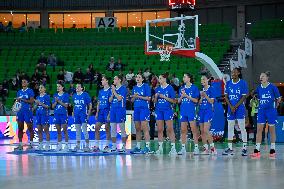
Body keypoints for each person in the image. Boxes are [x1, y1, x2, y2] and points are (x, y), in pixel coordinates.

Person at [250, 71, 281, 158]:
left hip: (271, 111)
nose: (261, 78)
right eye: (260, 76)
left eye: (263, 76)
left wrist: (275, 106)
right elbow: (255, 95)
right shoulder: (259, 88)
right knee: (259, 129)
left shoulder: (273, 87)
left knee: (272, 130)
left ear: (267, 78)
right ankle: (257, 150)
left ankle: (272, 150)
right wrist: (254, 96)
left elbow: (279, 99)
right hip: (261, 111)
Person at [222, 68, 249, 156]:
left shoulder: (243, 83)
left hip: (240, 108)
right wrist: (231, 107)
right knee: (230, 128)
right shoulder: (228, 83)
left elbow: (244, 97)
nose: (232, 73)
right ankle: (230, 148)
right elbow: (226, 96)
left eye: (234, 72)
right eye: (232, 72)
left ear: (238, 73)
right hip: (230, 108)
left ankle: (244, 148)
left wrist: (235, 106)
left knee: (242, 128)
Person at [154, 73, 177, 155]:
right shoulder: (157, 89)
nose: (159, 80)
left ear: (164, 79)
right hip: (159, 110)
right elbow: (154, 102)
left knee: (170, 129)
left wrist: (164, 97)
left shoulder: (170, 88)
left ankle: (173, 148)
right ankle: (160, 148)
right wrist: (156, 97)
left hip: (168, 110)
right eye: (159, 78)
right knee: (160, 129)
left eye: (160, 78)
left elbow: (174, 101)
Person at [177, 73, 200, 155]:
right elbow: (178, 101)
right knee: (183, 130)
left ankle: (196, 148)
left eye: (185, 77)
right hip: (183, 111)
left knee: (194, 130)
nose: (183, 78)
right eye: (183, 77)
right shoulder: (181, 88)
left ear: (189, 78)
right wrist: (181, 96)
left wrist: (186, 96)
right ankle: (183, 148)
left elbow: (196, 100)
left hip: (191, 111)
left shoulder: (194, 88)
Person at [130, 73, 152, 154]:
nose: (137, 78)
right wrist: (134, 97)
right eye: (137, 77)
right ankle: (138, 147)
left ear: (142, 79)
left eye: (139, 77)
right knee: (137, 128)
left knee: (144, 128)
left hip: (144, 109)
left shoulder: (146, 86)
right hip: (136, 109)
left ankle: (147, 147)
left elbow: (148, 98)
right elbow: (132, 100)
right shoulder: (134, 88)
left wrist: (138, 96)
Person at [107, 75, 127, 153]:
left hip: (120, 110)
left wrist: (114, 91)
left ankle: (124, 146)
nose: (113, 80)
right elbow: (110, 100)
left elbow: (119, 98)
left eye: (115, 79)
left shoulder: (123, 88)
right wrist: (112, 93)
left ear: (119, 80)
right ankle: (114, 146)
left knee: (122, 129)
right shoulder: (112, 89)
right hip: (113, 110)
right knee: (113, 129)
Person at [198, 75, 217, 155]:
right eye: (201, 79)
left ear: (208, 80)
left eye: (204, 79)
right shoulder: (201, 90)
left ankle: (213, 148)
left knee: (206, 130)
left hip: (208, 111)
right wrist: (202, 98)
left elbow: (212, 102)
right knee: (202, 131)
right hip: (201, 111)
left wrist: (205, 95)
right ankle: (206, 149)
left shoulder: (211, 89)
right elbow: (199, 103)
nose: (203, 81)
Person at [14, 78, 35, 151]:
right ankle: (20, 145)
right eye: (22, 82)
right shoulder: (19, 92)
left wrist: (22, 99)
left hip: (27, 111)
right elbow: (18, 102)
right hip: (20, 112)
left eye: (24, 81)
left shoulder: (30, 91)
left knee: (30, 128)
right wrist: (16, 103)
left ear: (27, 83)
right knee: (20, 128)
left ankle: (31, 144)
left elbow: (32, 101)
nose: (23, 83)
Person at [93, 76, 112, 152]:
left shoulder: (111, 90)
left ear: (107, 81)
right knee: (96, 127)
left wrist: (109, 114)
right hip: (101, 111)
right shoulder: (100, 91)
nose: (101, 81)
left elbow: (111, 103)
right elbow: (99, 102)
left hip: (107, 111)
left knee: (107, 128)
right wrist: (97, 112)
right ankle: (96, 146)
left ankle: (107, 145)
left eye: (103, 80)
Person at [72, 83, 92, 152]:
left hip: (83, 114)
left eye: (78, 86)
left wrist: (89, 113)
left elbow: (90, 104)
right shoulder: (74, 96)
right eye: (76, 86)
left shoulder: (85, 95)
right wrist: (73, 112)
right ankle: (77, 146)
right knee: (77, 131)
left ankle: (87, 146)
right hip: (76, 115)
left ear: (82, 88)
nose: (77, 87)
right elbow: (74, 105)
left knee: (84, 130)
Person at [52, 83, 69, 151]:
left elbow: (66, 106)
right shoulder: (55, 95)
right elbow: (53, 106)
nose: (58, 87)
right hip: (56, 114)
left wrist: (58, 101)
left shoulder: (65, 95)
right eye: (57, 86)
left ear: (62, 87)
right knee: (58, 131)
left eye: (59, 86)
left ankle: (66, 145)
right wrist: (56, 102)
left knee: (65, 130)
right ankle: (59, 145)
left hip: (63, 114)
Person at [34, 85, 50, 151]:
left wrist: (39, 103)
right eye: (39, 87)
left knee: (46, 130)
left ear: (44, 89)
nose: (40, 89)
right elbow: (36, 107)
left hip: (44, 115)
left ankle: (47, 145)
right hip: (38, 115)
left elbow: (48, 106)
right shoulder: (37, 97)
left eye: (41, 87)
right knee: (39, 130)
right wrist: (36, 105)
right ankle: (40, 145)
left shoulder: (47, 96)